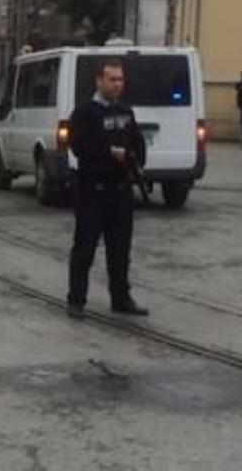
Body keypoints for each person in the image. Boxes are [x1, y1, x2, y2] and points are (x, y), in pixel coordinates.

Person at [65, 59, 149, 318]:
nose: (117, 85)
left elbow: (137, 143)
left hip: (121, 191)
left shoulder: (125, 112)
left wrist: (135, 161)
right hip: (93, 191)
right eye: (112, 79)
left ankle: (121, 298)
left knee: (120, 250)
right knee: (85, 248)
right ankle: (76, 300)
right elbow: (79, 147)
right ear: (99, 81)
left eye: (120, 80)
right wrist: (110, 152)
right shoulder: (84, 113)